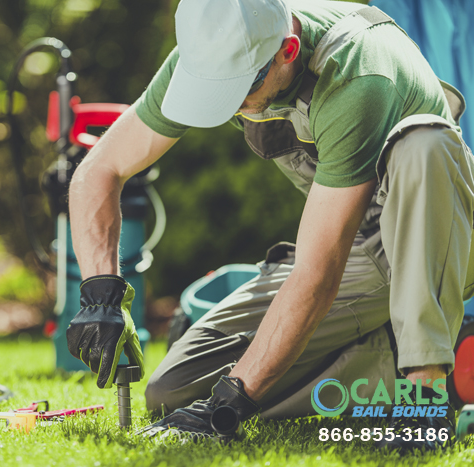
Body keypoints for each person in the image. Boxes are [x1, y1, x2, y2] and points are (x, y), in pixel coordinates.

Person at [65, 0, 473, 451]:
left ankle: (425, 395)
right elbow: (97, 171)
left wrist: (235, 399)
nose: (229, 104)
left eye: (241, 87)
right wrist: (100, 291)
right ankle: (417, 355)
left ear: (288, 51)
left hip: (438, 237)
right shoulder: (212, 48)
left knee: (424, 143)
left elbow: (317, 274)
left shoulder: (359, 73)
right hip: (356, 247)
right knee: (174, 390)